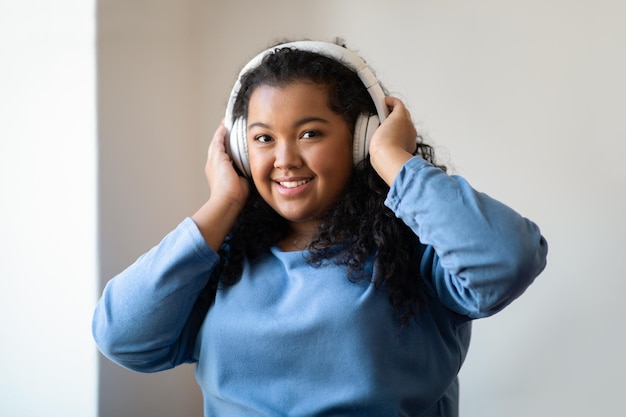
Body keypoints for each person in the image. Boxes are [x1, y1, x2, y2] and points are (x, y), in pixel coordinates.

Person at [92, 39, 548, 417]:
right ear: (238, 146)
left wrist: (393, 161)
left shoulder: (414, 248)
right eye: (263, 138)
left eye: (309, 133)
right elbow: (121, 337)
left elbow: (508, 260)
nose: (284, 159)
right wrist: (223, 202)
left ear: (361, 138)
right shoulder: (221, 258)